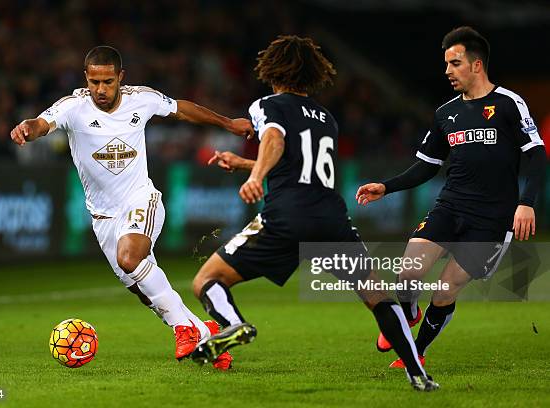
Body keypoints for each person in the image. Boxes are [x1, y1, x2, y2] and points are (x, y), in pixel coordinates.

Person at [189, 35, 439, 391]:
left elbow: (274, 142)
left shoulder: (267, 105)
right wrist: (246, 163)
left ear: (273, 68)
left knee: (207, 280)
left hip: (287, 214)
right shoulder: (326, 118)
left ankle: (232, 325)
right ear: (312, 73)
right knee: (378, 296)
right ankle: (418, 373)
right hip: (331, 218)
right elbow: (297, 163)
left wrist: (256, 175)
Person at [10, 46, 254, 370]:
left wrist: (227, 123)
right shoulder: (73, 107)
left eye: (108, 81)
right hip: (103, 218)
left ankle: (184, 329)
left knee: (130, 258)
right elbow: (42, 122)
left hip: (141, 199)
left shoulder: (142, 98)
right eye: (95, 81)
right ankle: (203, 330)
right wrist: (27, 128)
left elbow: (181, 110)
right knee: (145, 293)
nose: (100, 89)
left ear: (120, 78)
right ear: (86, 78)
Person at [355, 26, 546, 368]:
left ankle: (418, 351)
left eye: (455, 63)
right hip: (450, 205)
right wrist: (387, 186)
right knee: (408, 273)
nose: (447, 71)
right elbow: (425, 166)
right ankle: (409, 313)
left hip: (492, 219)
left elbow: (536, 155)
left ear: (476, 65)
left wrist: (527, 202)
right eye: (446, 64)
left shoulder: (508, 104)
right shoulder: (446, 113)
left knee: (444, 291)